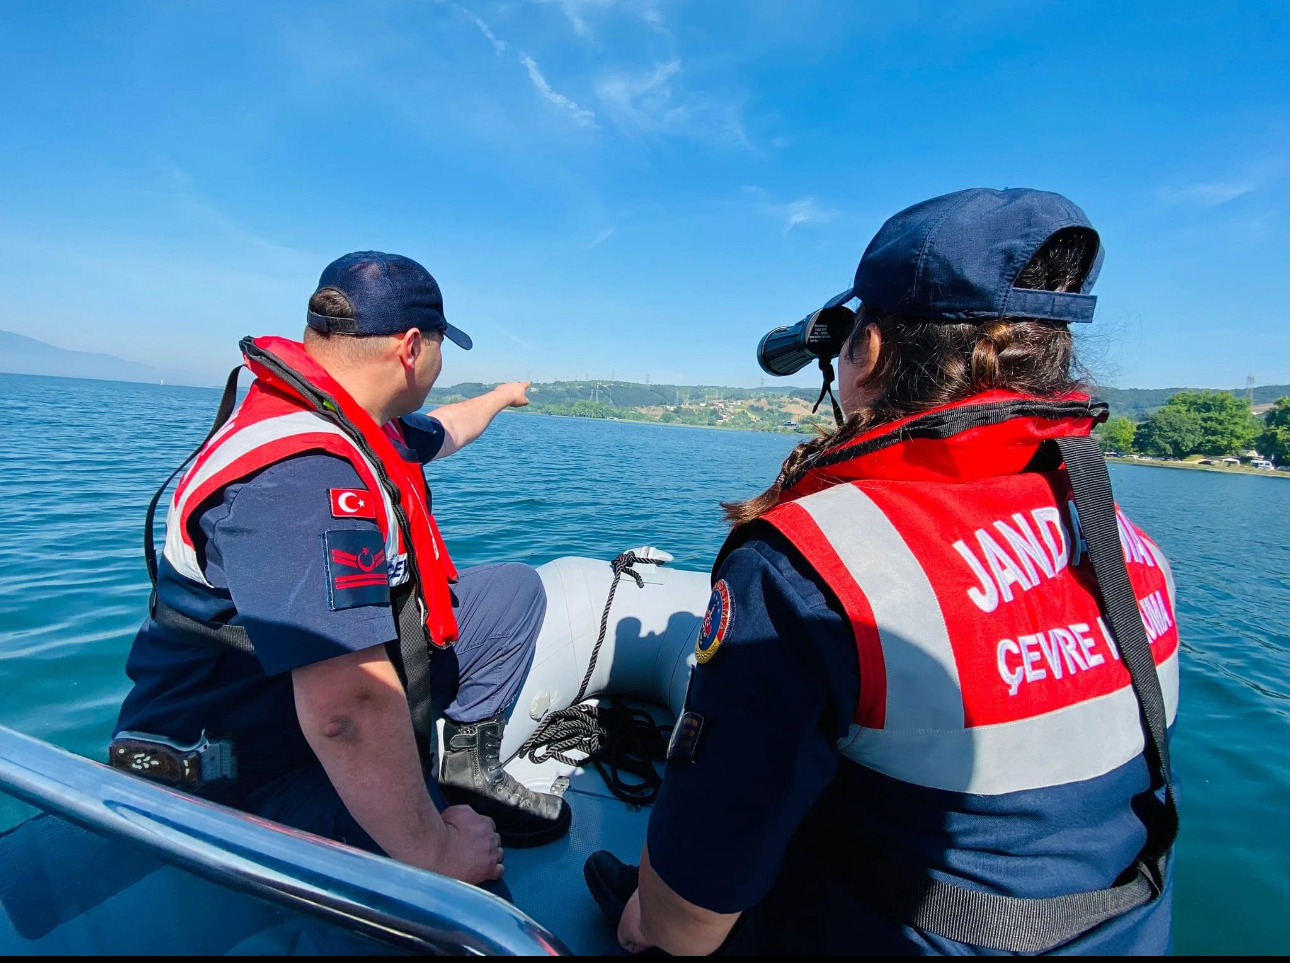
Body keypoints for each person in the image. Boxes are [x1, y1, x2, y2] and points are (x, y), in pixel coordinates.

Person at [589, 189, 1179, 954]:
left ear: (866, 352)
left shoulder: (807, 570)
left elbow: (681, 928)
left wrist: (640, 915)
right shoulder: (1133, 547)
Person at [113, 251, 571, 890]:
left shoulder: (355, 419)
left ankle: (463, 769)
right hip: (247, 763)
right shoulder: (301, 479)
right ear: (413, 347)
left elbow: (447, 428)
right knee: (469, 890)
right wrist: (437, 851)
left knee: (515, 593)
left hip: (300, 702)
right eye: (443, 348)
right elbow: (346, 710)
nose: (442, 369)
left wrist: (500, 397)